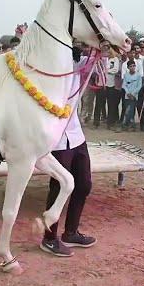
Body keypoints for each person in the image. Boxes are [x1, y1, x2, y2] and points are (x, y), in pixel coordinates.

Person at [40, 58, 95, 257]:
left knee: (84, 184)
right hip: (56, 138)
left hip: (75, 134)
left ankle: (70, 233)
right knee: (58, 186)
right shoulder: (49, 68)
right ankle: (49, 238)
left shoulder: (78, 63)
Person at [119, 59, 142, 131]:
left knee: (131, 111)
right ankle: (128, 125)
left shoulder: (138, 76)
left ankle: (130, 125)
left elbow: (139, 86)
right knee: (127, 110)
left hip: (134, 96)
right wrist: (128, 93)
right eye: (131, 66)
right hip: (127, 96)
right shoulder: (126, 75)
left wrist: (133, 94)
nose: (132, 67)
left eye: (133, 66)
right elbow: (124, 85)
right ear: (128, 67)